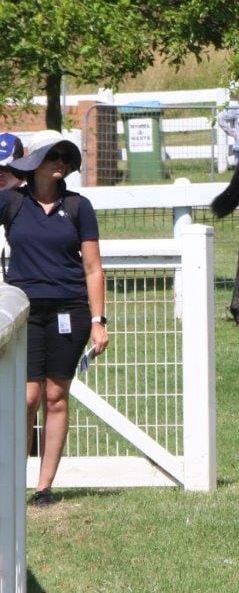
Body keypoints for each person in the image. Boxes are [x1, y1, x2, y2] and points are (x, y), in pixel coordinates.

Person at [0, 139, 108, 507]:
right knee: (27, 396)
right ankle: (12, 478)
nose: (60, 162)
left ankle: (44, 486)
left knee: (55, 396)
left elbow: (93, 268)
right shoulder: (12, 201)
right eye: (53, 156)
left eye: (65, 157)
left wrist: (98, 320)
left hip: (70, 311)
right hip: (25, 311)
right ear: (35, 163)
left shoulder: (79, 206)